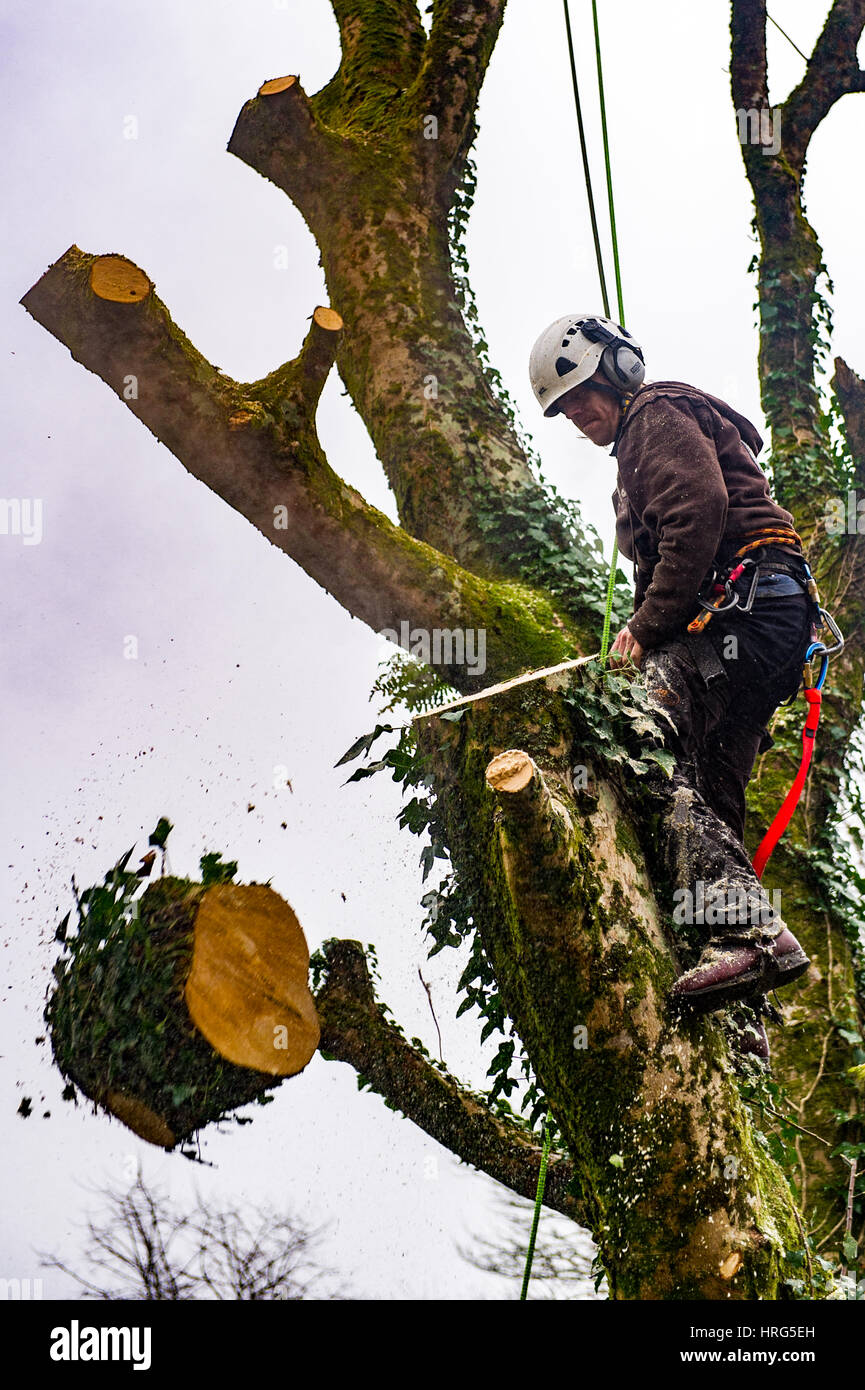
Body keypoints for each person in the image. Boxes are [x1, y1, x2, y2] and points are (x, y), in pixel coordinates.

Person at [528, 313, 813, 1054]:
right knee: (709, 793)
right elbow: (669, 556)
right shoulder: (646, 445)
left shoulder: (654, 415)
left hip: (743, 614)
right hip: (765, 625)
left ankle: (751, 932)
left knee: (634, 735)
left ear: (617, 372)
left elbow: (697, 516)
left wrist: (646, 629)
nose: (579, 415)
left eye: (584, 394)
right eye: (565, 410)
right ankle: (743, 1009)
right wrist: (642, 622)